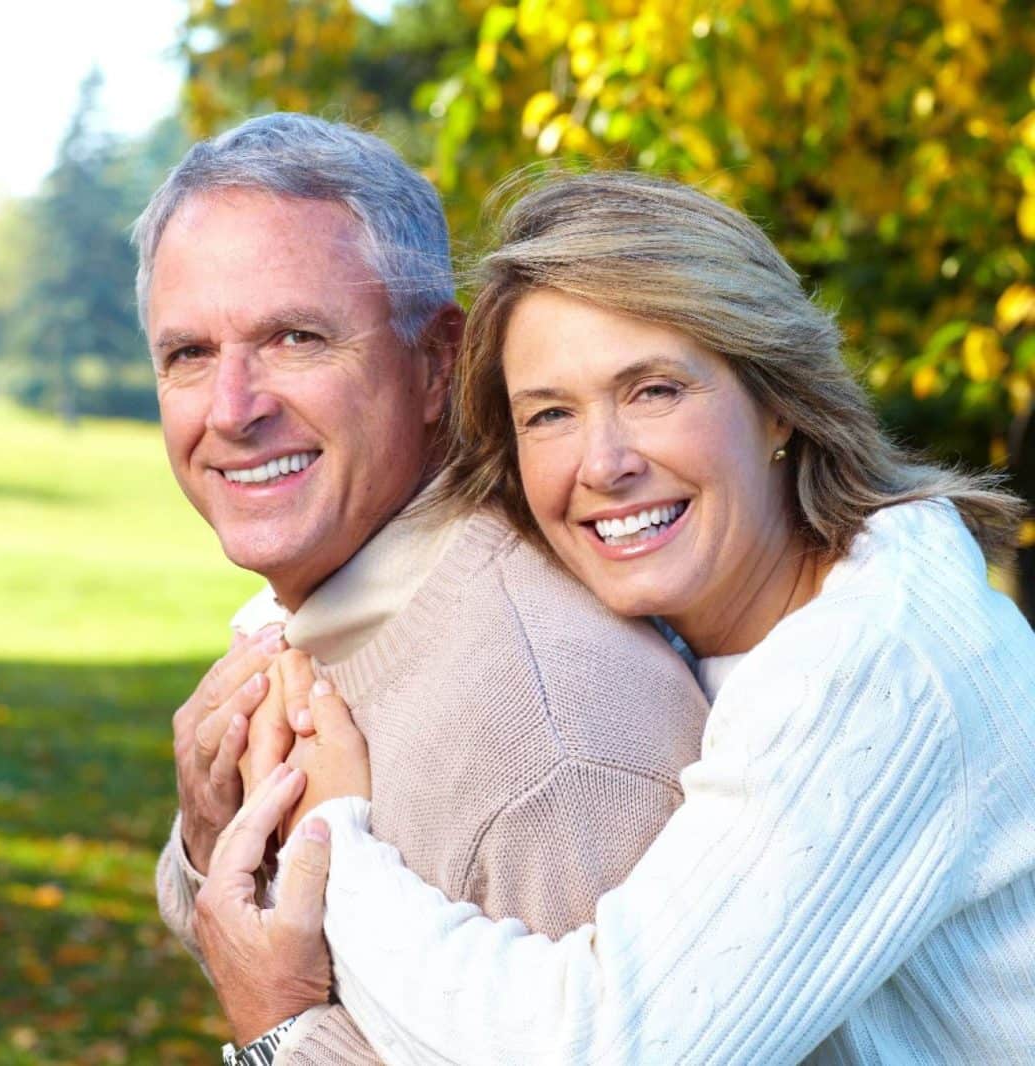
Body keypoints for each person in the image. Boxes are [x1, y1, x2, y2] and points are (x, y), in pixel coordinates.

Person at [197, 169, 1035, 1062]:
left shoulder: (881, 661)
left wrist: (338, 859)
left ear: (778, 397)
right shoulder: (722, 624)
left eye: (654, 391)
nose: (603, 464)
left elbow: (615, 1048)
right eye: (550, 414)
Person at [135, 118, 712, 1063]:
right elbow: (268, 946)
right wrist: (211, 837)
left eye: (295, 338)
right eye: (189, 354)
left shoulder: (558, 744)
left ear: (438, 364)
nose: (233, 410)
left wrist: (279, 1032)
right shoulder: (340, 611)